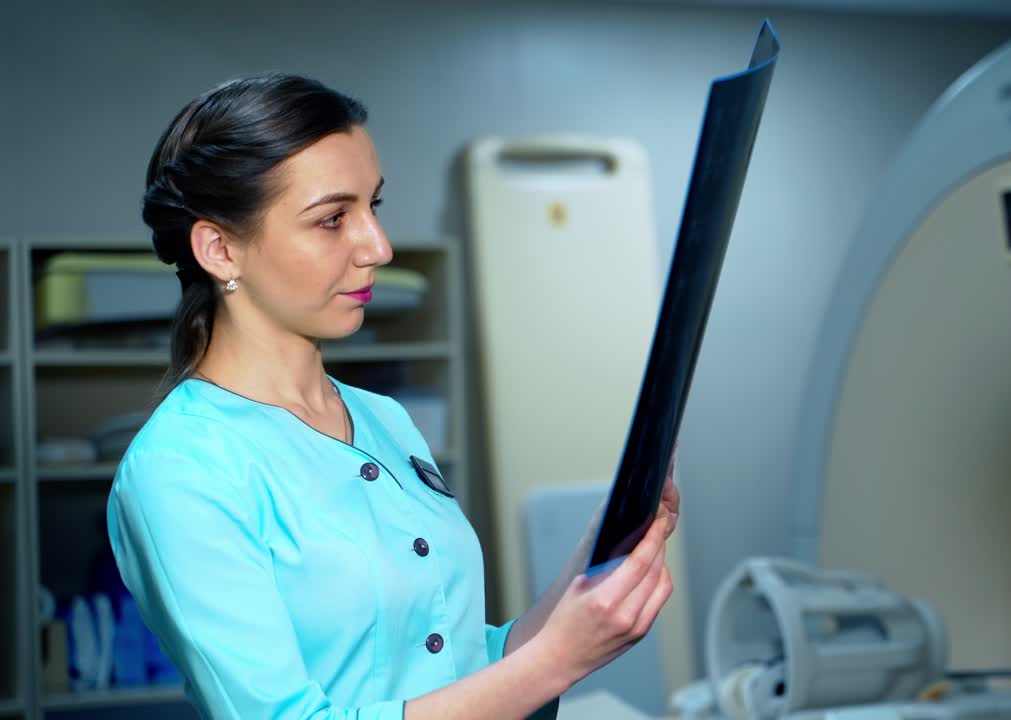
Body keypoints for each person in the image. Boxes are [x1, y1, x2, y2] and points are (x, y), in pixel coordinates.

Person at [106, 73, 680, 720]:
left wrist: (593, 563)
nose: (377, 246)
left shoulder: (384, 419)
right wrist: (557, 661)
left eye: (373, 207)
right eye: (331, 220)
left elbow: (468, 668)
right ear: (219, 249)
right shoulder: (182, 469)